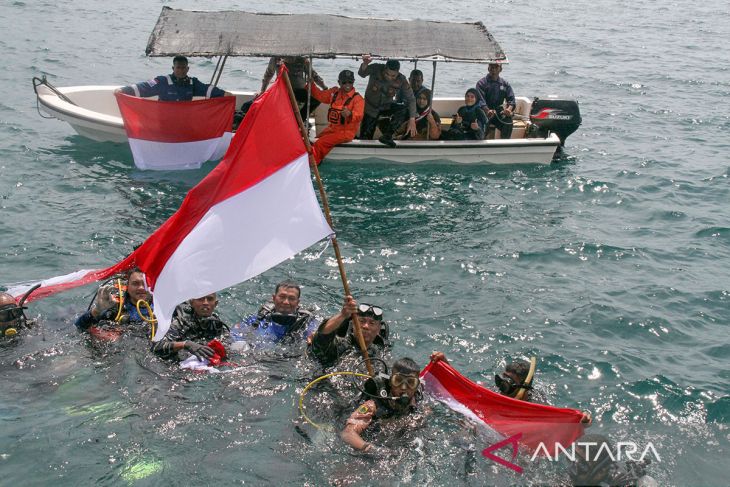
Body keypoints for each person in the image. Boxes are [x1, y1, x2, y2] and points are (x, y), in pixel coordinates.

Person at [431, 352, 592, 424]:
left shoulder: (535, 401)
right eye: (502, 379)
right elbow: (465, 392)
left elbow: (557, 420)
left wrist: (581, 419)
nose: (502, 387)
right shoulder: (497, 393)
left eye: (509, 383)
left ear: (524, 387)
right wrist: (445, 364)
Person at [341, 357, 423, 453]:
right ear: (390, 382)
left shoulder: (417, 400)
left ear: (417, 386)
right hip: (374, 440)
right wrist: (369, 448)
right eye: (398, 381)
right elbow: (347, 433)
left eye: (411, 382)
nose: (404, 387)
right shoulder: (372, 406)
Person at [308, 296, 390, 369]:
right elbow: (322, 336)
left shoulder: (380, 353)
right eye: (361, 321)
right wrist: (343, 315)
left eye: (372, 323)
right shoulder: (340, 346)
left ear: (379, 329)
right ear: (353, 323)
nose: (366, 326)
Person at [229, 280, 318, 344]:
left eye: (291, 298)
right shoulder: (258, 319)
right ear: (274, 298)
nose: (286, 302)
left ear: (298, 303)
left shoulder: (306, 324)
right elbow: (235, 334)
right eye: (282, 297)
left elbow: (317, 335)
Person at [357, 55, 417, 146]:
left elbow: (411, 99)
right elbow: (362, 73)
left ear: (397, 72)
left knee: (406, 110)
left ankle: (387, 136)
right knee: (365, 140)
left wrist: (412, 120)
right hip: (370, 109)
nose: (389, 77)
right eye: (387, 74)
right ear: (385, 68)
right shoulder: (376, 68)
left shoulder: (401, 79)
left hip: (386, 108)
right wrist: (365, 63)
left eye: (393, 76)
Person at [307, 70, 364, 165]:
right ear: (339, 82)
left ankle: (312, 165)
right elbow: (320, 96)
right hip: (332, 129)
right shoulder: (334, 92)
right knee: (315, 140)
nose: (347, 84)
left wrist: (350, 114)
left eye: (350, 82)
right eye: (344, 82)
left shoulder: (358, 99)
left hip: (346, 132)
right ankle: (317, 159)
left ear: (353, 82)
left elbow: (359, 116)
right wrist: (310, 84)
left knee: (320, 143)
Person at [115, 55, 233, 101]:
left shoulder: (193, 83)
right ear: (173, 68)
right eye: (178, 68)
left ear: (188, 69)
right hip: (164, 121)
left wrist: (224, 94)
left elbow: (208, 89)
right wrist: (123, 90)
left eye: (183, 68)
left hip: (183, 121)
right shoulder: (161, 81)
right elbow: (144, 87)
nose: (181, 70)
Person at [150, 293, 229, 361]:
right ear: (192, 303)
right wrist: (185, 345)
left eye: (210, 299)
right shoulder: (180, 323)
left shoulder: (217, 324)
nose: (205, 303)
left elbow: (228, 346)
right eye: (200, 299)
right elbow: (156, 348)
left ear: (215, 304)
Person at [75, 268, 153, 332]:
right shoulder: (115, 306)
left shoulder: (160, 305)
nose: (141, 288)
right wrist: (96, 311)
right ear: (127, 287)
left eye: (145, 283)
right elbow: (79, 327)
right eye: (135, 283)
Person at [568, 434, 657, 486]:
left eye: (583, 464)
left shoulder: (621, 483)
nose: (574, 464)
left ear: (601, 471)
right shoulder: (578, 476)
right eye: (574, 456)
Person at [258, 56, 327, 122]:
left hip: (298, 91)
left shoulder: (302, 59)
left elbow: (314, 75)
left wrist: (325, 88)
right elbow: (268, 74)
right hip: (282, 92)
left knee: (317, 99)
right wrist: (262, 91)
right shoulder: (276, 59)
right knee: (251, 105)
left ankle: (298, 120)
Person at [475, 63, 516, 139]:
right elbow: (480, 101)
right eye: (491, 66)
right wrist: (487, 111)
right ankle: (481, 144)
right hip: (484, 112)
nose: (493, 69)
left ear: (500, 69)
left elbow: (511, 100)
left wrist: (508, 110)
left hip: (499, 112)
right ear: (488, 68)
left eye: (496, 67)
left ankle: (504, 145)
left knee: (508, 121)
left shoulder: (505, 84)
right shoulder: (481, 83)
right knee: (481, 126)